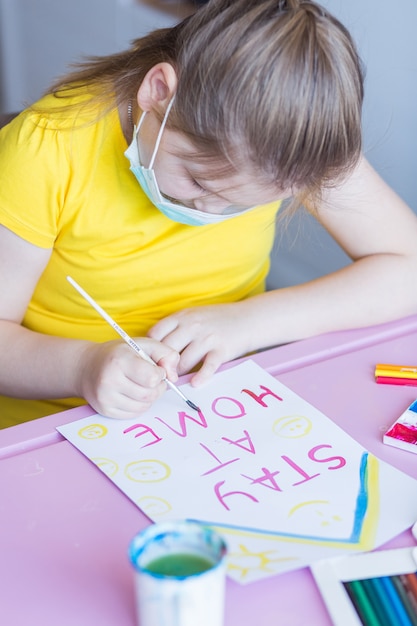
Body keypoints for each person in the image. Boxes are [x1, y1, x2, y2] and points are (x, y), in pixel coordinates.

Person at [1, 0, 417, 428]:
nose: (211, 211)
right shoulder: (46, 148)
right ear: (158, 92)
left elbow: (408, 268)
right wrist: (83, 367)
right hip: (52, 424)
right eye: (200, 183)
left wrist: (250, 322)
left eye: (245, 203)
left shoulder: (294, 146)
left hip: (215, 411)